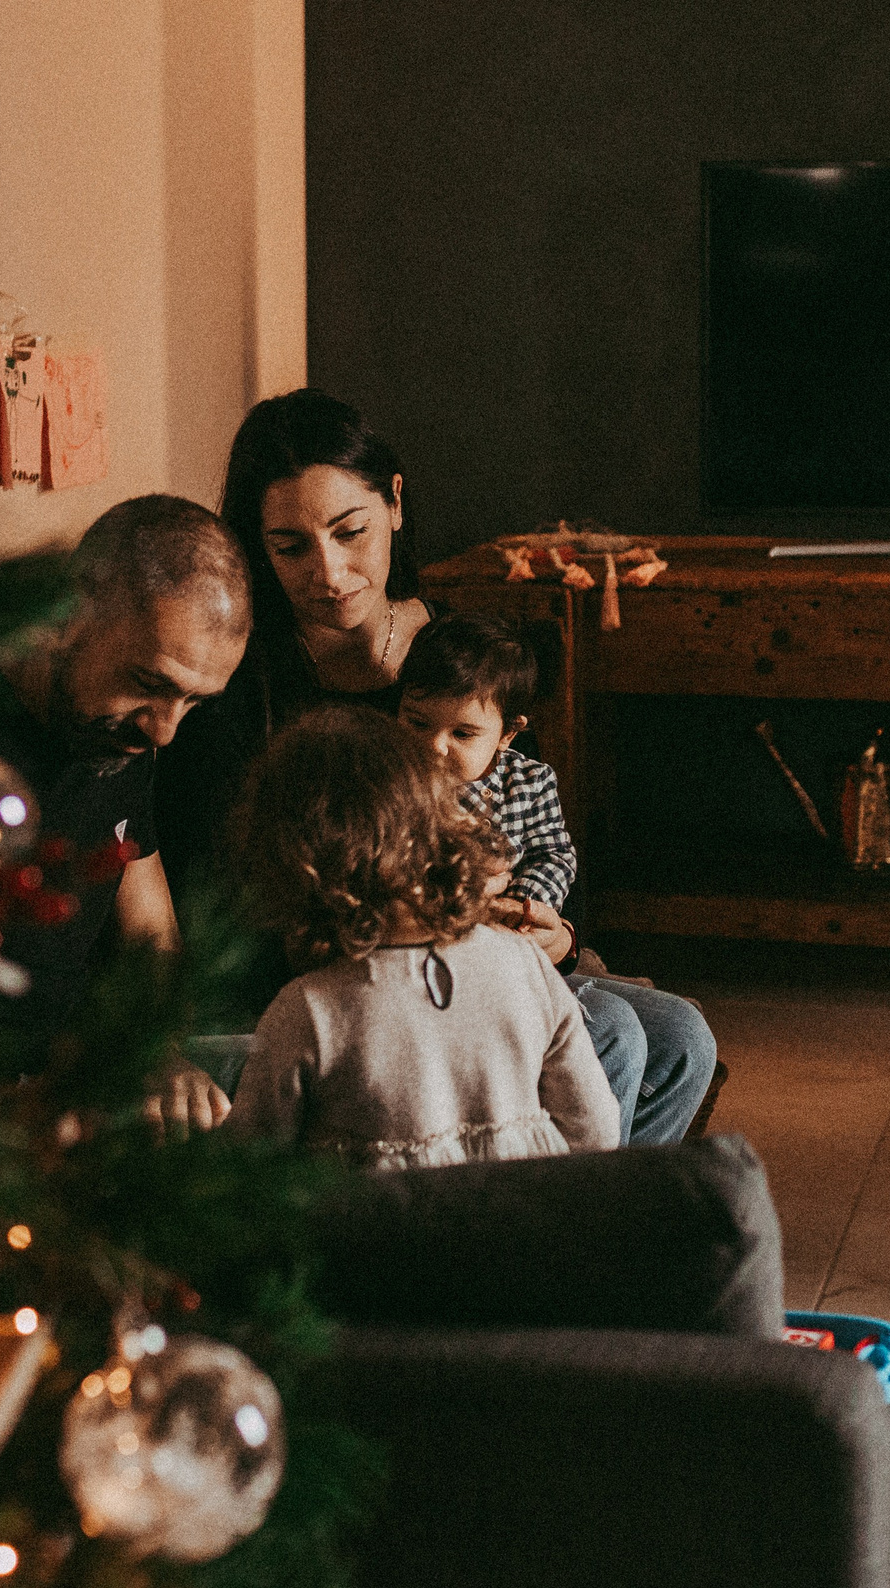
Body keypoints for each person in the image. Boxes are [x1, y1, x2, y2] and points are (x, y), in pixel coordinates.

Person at [0, 494, 251, 1131]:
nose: (167, 731)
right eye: (151, 683)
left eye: (195, 702)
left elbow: (149, 924)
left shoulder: (120, 734)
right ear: (71, 615)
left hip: (72, 1091)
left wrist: (160, 1051)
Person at [221, 705, 619, 1166]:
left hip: (383, 1232)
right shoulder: (523, 963)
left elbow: (248, 1171)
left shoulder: (308, 1009)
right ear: (445, 829)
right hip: (518, 1223)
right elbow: (596, 1128)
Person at [395, 613, 719, 1148]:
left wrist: (531, 908)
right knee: (613, 1030)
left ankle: (628, 1188)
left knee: (685, 1035)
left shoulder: (530, 780)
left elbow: (553, 852)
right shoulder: (391, 788)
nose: (434, 747)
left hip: (525, 948)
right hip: (450, 965)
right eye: (416, 723)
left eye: (462, 733)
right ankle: (576, 1203)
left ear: (509, 733)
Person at [155, 390, 435, 905]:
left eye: (350, 532)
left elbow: (529, 829)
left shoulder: (465, 653)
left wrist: (560, 935)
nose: (328, 574)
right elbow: (208, 886)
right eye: (290, 547)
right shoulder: (231, 680)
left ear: (394, 502)